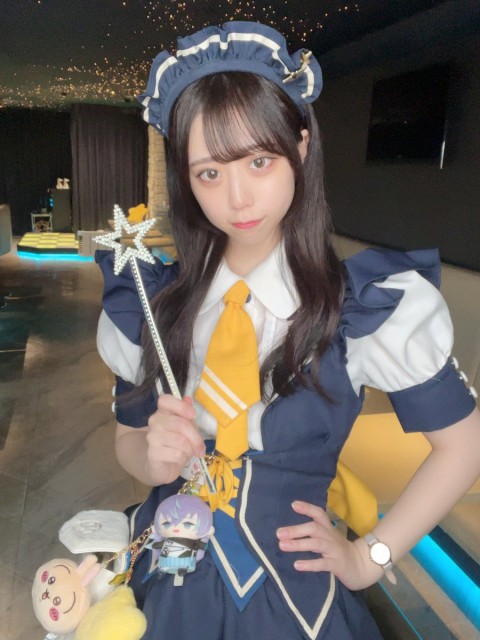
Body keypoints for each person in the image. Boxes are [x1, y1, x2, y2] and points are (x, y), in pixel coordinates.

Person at [96, 21, 480, 640]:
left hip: (293, 602)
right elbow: (128, 438)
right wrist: (149, 455)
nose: (238, 198)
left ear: (300, 148)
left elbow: (465, 445)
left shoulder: (361, 309)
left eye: (259, 161)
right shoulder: (151, 303)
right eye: (209, 173)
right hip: (167, 583)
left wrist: (370, 557)